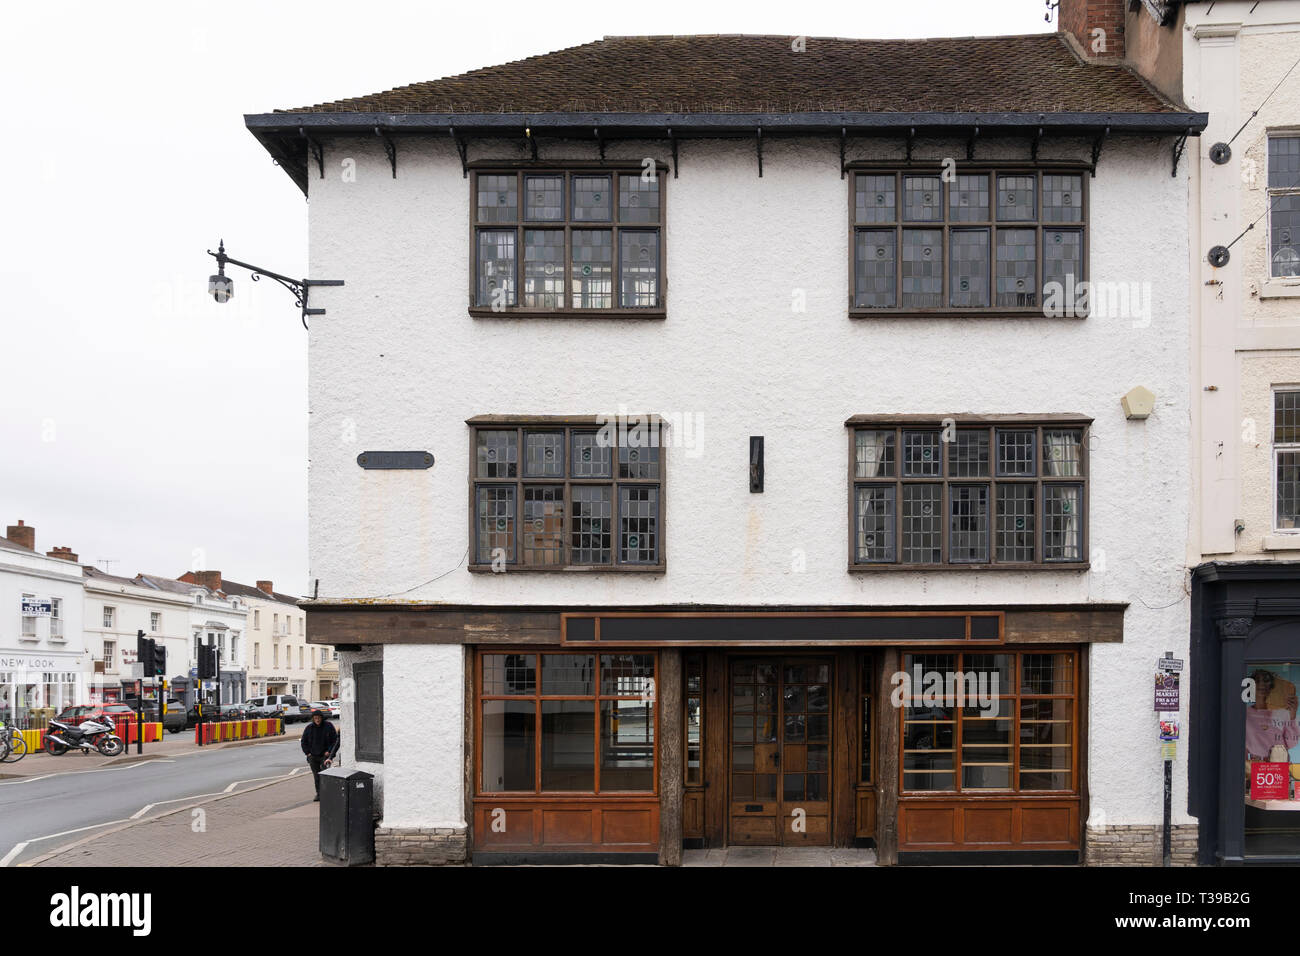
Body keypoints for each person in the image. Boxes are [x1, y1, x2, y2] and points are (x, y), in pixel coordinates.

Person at [300, 709, 339, 802]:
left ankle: (326, 793)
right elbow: (303, 742)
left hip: (324, 755)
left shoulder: (328, 726)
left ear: (322, 718)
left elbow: (335, 740)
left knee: (325, 775)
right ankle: (319, 794)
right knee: (316, 776)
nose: (317, 720)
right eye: (315, 718)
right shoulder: (309, 728)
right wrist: (308, 753)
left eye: (319, 718)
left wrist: (329, 752)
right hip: (313, 756)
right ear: (313, 719)